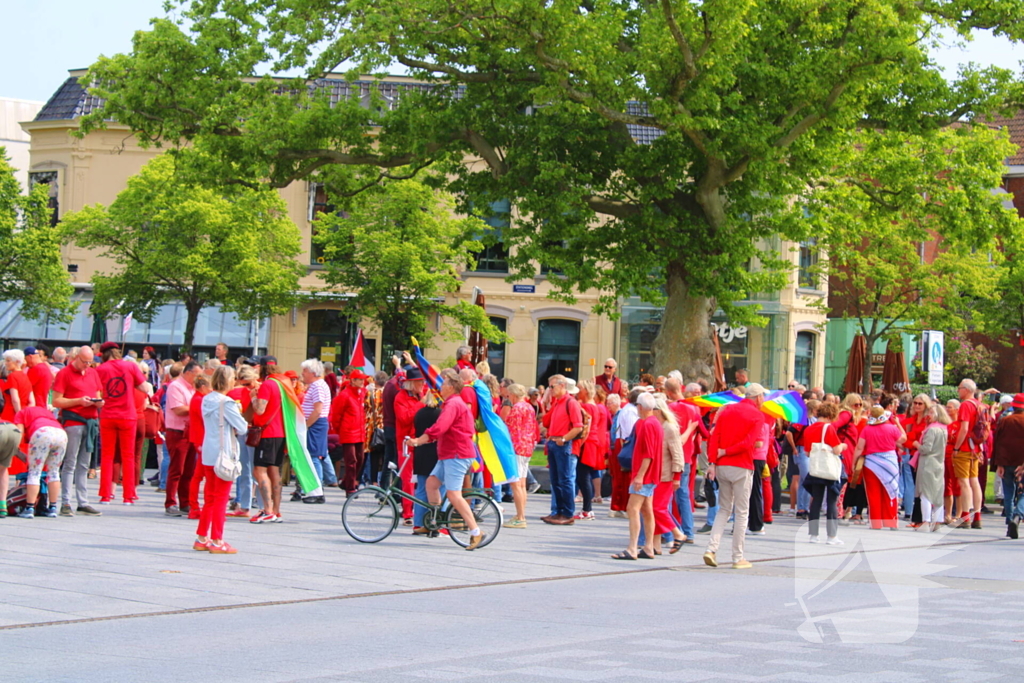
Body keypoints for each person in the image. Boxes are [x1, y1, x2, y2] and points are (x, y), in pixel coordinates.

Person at [405, 375, 485, 550]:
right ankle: (433, 522)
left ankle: (475, 531)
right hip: (449, 453)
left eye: (445, 383)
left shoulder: (453, 404)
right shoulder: (453, 403)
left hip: (457, 454)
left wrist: (418, 440)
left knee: (454, 494)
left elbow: (440, 427)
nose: (441, 386)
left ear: (452, 387)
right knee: (432, 484)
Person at [703, 383, 767, 570]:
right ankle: (737, 556)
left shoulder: (728, 410)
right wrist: (727, 451)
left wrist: (713, 461)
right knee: (741, 512)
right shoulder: (757, 415)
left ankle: (711, 548)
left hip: (722, 467)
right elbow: (748, 443)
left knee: (724, 509)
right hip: (741, 465)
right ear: (758, 397)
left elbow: (714, 436)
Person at [194, 365, 248, 554]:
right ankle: (217, 540)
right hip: (223, 453)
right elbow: (242, 427)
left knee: (210, 497)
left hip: (208, 451)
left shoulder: (206, 399)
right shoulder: (228, 403)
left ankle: (202, 537)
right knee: (221, 498)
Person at [52, 346, 103, 517]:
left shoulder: (92, 373)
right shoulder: (64, 373)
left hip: (90, 422)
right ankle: (66, 502)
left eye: (90, 362)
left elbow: (98, 393)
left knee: (84, 464)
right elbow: (57, 401)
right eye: (84, 361)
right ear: (76, 358)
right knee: (70, 463)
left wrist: (97, 403)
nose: (87, 365)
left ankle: (83, 501)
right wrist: (79, 401)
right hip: (74, 421)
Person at [611, 391, 662, 560]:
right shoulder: (654, 423)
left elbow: (648, 454)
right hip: (651, 474)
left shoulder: (647, 424)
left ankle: (632, 548)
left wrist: (639, 476)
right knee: (647, 510)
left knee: (632, 508)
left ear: (640, 407)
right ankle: (648, 547)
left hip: (644, 474)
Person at [95, 341, 147, 505]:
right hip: (128, 415)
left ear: (104, 354)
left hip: (108, 415)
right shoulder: (130, 367)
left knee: (107, 456)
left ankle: (105, 495)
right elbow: (145, 388)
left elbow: (97, 392)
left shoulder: (100, 369)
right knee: (128, 456)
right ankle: (128, 495)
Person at [800, 402, 846, 544]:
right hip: (829, 469)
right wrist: (844, 445)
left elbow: (807, 452)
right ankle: (832, 536)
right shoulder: (828, 428)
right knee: (831, 501)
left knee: (816, 501)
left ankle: (813, 535)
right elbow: (837, 450)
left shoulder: (808, 429)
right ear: (831, 415)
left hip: (815, 469)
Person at [853, 405, 906, 530]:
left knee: (873, 494)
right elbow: (903, 439)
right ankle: (891, 522)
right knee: (890, 492)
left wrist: (853, 463)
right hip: (890, 463)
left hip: (871, 464)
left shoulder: (867, 429)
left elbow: (859, 448)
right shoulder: (891, 428)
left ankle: (876, 523)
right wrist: (898, 424)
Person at [250, 356, 289, 523]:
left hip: (267, 433)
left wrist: (253, 397)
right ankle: (276, 510)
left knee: (259, 471)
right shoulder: (282, 384)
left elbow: (260, 409)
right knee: (274, 471)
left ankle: (267, 510)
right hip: (280, 432)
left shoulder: (268, 384)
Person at [541, 375, 584, 525]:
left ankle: (566, 513)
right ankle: (559, 512)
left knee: (565, 480)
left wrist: (564, 439)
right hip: (555, 442)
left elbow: (578, 426)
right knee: (556, 480)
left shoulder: (570, 403)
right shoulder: (559, 402)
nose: (550, 390)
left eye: (552, 387)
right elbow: (546, 421)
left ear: (562, 386)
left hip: (562, 444)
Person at [13, 405, 67, 518]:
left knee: (35, 472)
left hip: (41, 433)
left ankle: (29, 508)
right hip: (61, 434)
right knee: (54, 472)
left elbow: (18, 433)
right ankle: (52, 507)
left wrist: (16, 450)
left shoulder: (22, 413)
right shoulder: (46, 412)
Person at [652, 395, 687, 555]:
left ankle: (678, 534)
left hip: (666, 475)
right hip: (656, 474)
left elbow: (678, 454)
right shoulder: (657, 425)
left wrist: (676, 477)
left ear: (658, 411)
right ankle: (656, 544)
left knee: (657, 508)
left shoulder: (669, 427)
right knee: (653, 509)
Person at [164, 360, 200, 516]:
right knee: (176, 469)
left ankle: (185, 502)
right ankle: (170, 503)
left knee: (189, 471)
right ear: (188, 373)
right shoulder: (176, 386)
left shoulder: (193, 388)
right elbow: (178, 409)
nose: (200, 378)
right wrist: (198, 406)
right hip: (177, 432)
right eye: (197, 375)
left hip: (190, 432)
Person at [951, 379, 985, 529]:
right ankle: (977, 516)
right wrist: (981, 449)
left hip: (965, 448)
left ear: (966, 389)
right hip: (975, 448)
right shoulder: (980, 405)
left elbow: (964, 428)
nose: (958, 391)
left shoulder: (966, 405)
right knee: (974, 481)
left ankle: (966, 517)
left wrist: (956, 448)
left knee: (964, 482)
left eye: (959, 388)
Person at [330, 369, 368, 497]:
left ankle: (347, 482)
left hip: (359, 431)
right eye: (360, 379)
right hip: (348, 432)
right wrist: (339, 430)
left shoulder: (362, 393)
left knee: (360, 459)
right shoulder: (345, 395)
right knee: (351, 460)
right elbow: (336, 415)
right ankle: (350, 488)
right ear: (353, 380)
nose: (363, 382)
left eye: (363, 379)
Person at [503, 383, 536, 529]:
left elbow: (510, 429)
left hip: (517, 447)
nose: (508, 398)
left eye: (509, 395)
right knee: (522, 484)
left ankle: (520, 517)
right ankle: (521, 515)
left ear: (514, 395)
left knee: (516, 484)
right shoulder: (528, 406)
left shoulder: (517, 409)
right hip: (527, 446)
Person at [410, 389, 443, 534]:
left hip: (421, 452)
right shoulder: (440, 415)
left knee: (422, 489)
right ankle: (434, 521)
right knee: (438, 489)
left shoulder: (419, 414)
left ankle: (418, 523)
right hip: (436, 453)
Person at [991, 393, 1024, 538]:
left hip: (1006, 462)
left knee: (1008, 493)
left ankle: (1010, 520)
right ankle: (1018, 516)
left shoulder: (1004, 421)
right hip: (1021, 463)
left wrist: (999, 464)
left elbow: (999, 443)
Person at [300, 359, 333, 502]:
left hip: (315, 424)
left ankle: (316, 492)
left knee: (314, 457)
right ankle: (315, 490)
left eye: (305, 371)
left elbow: (318, 410)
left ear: (313, 373)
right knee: (314, 456)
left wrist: (306, 425)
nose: (302, 374)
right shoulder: (316, 385)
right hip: (316, 423)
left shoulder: (317, 386)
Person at [575, 380, 607, 521]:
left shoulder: (587, 406)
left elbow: (586, 427)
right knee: (584, 476)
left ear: (586, 391)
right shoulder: (593, 406)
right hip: (591, 443)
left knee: (583, 476)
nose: (577, 390)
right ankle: (587, 509)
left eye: (580, 388)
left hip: (587, 443)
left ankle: (587, 509)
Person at [918, 403, 951, 533]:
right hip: (939, 462)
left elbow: (926, 448)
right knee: (937, 493)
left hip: (928, 462)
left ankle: (926, 521)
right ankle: (938, 520)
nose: (928, 415)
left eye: (931, 413)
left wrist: (916, 445)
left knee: (925, 493)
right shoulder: (944, 429)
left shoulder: (931, 429)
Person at [610, 388, 640, 517]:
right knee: (624, 476)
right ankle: (621, 506)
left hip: (623, 442)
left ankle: (619, 505)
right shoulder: (630, 412)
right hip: (626, 443)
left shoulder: (628, 410)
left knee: (623, 477)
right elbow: (631, 431)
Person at [187, 375, 213, 518]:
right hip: (202, 439)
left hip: (200, 439)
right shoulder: (199, 400)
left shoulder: (198, 399)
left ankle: (195, 506)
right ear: (203, 387)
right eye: (209, 387)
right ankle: (195, 506)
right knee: (200, 475)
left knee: (199, 475)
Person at [2, 349, 35, 422]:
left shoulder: (12, 376)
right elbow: (32, 402)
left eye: (8, 361)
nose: (5, 363)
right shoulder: (25, 376)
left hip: (10, 414)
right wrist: (24, 416)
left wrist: (19, 415)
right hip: (24, 413)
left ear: (17, 361)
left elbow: (15, 400)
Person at [24, 346, 53, 411]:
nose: (26, 363)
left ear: (30, 357)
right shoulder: (45, 367)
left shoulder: (35, 369)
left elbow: (25, 389)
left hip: (35, 406)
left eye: (25, 359)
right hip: (42, 406)